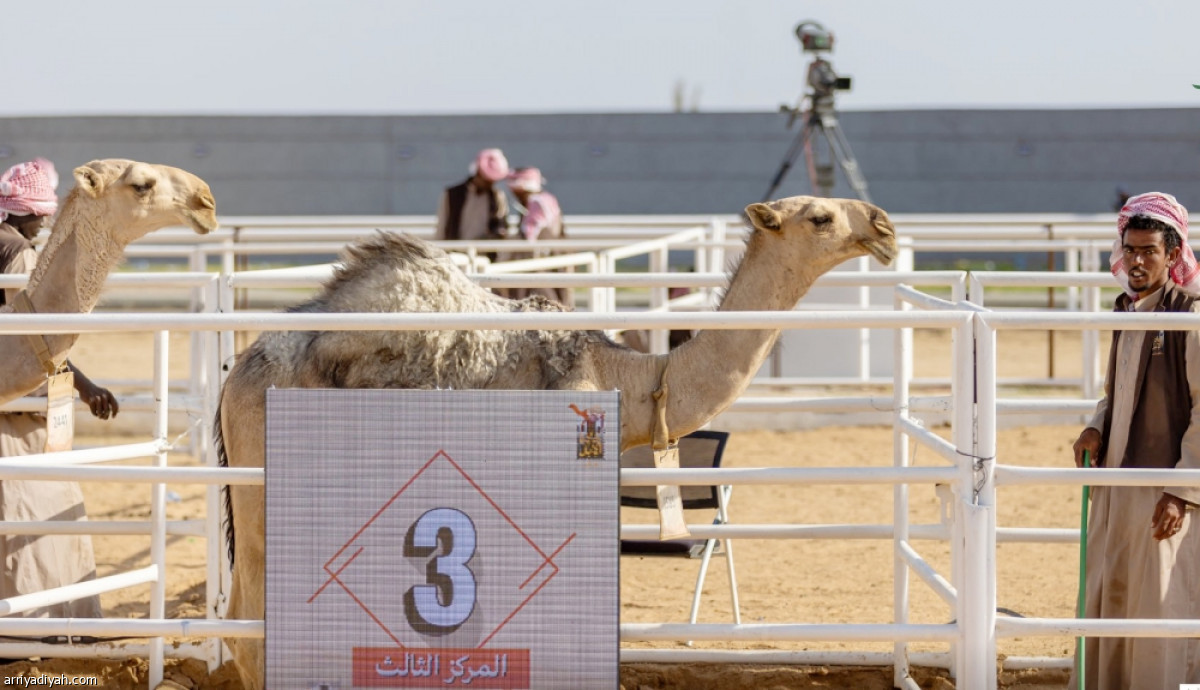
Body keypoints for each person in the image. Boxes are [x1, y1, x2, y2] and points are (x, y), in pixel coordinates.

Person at [1070, 191, 1200, 688]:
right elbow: (1115, 394)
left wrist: (1182, 489)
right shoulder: (1127, 309)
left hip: (1163, 491)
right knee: (1114, 596)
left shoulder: (1188, 315)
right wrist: (1096, 427)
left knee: (1161, 603)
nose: (1138, 260)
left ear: (1173, 255)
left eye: (1149, 251)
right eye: (1131, 249)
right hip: (1117, 485)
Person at [0, 158, 117, 619]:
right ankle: (39, 625)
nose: (44, 219)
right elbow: (38, 338)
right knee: (33, 513)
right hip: (19, 403)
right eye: (37, 211)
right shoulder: (18, 255)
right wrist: (83, 387)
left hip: (20, 394)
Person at [495, 166, 573, 307]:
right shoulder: (546, 199)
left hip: (539, 265)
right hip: (551, 260)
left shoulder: (536, 202)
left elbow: (530, 236)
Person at [435, 148, 510, 243]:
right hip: (455, 252)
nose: (489, 185)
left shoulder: (497, 196)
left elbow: (501, 226)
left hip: (484, 254)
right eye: (486, 181)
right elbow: (442, 226)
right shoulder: (451, 194)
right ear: (478, 173)